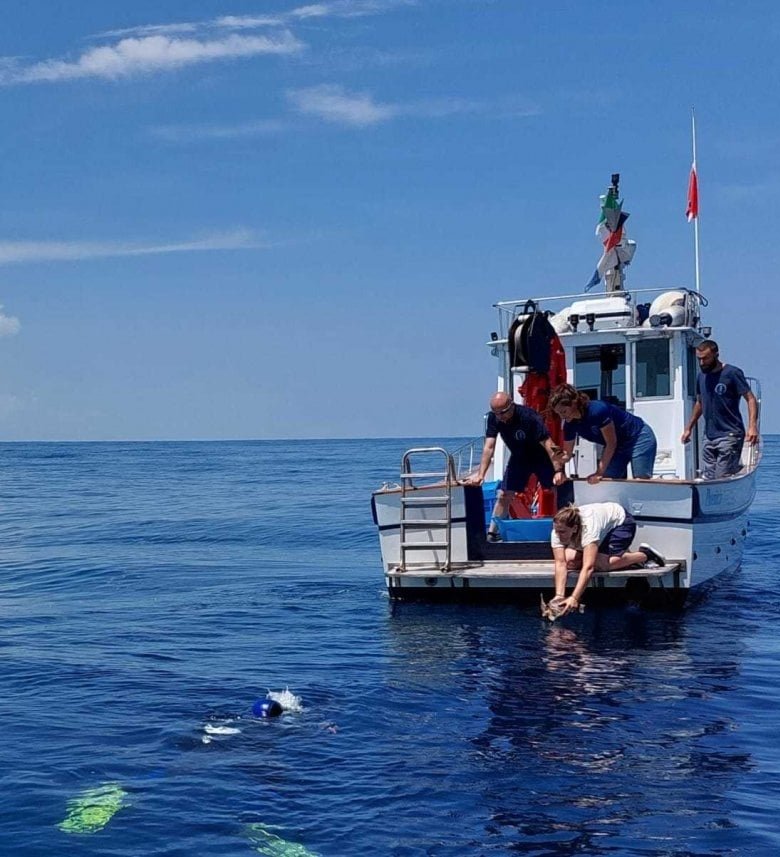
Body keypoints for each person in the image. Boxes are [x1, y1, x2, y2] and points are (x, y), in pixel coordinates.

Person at [466, 391, 564, 542]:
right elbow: (489, 447)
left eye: (503, 412)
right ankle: (492, 533)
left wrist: (558, 470)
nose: (501, 417)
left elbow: (549, 444)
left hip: (541, 457)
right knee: (504, 494)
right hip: (519, 458)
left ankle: (564, 528)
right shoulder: (494, 418)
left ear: (511, 405)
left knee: (555, 488)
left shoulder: (529, 417)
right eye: (496, 413)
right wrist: (481, 474)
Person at [549, 502, 665, 616]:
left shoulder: (588, 528)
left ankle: (646, 555)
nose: (558, 535)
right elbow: (560, 563)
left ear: (574, 528)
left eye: (562, 532)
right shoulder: (558, 531)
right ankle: (618, 558)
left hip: (621, 523)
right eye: (557, 531)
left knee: (600, 565)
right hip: (599, 531)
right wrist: (559, 596)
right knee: (569, 561)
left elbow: (589, 567)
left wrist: (574, 597)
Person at [548, 383, 657, 484]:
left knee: (640, 481)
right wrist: (559, 459)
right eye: (558, 413)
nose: (562, 416)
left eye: (564, 411)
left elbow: (611, 442)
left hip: (638, 437)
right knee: (607, 481)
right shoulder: (569, 424)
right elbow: (567, 454)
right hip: (618, 446)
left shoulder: (597, 410)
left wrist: (598, 472)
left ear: (574, 403)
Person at [681, 339, 759, 479]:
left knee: (721, 476)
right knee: (709, 477)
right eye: (699, 359)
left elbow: (750, 399)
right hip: (709, 436)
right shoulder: (701, 376)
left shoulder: (732, 373)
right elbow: (700, 403)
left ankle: (733, 468)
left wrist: (752, 426)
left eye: (705, 358)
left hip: (730, 434)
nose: (702, 363)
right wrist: (689, 428)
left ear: (716, 355)